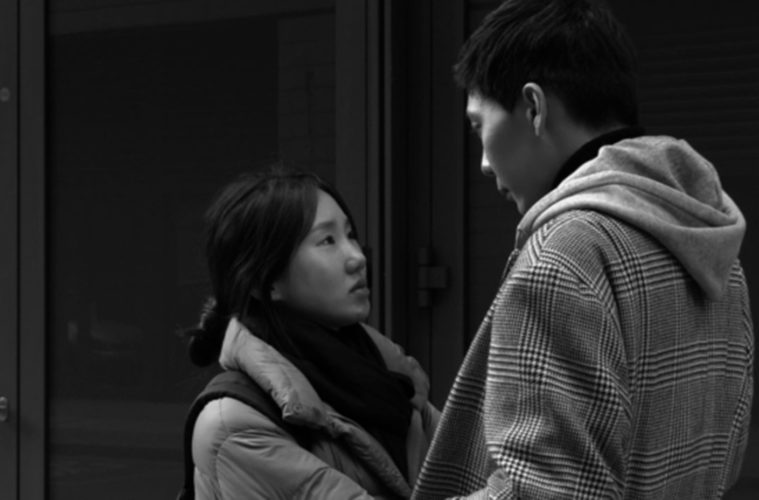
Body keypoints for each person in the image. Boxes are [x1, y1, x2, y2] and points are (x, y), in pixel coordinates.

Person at [412, 0, 754, 498]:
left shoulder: (564, 257)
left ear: (534, 108)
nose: (484, 162)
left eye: (479, 126)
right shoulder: (712, 247)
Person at [184, 165, 439, 499]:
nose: (357, 257)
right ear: (267, 282)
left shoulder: (390, 374)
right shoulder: (235, 425)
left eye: (350, 235)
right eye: (327, 241)